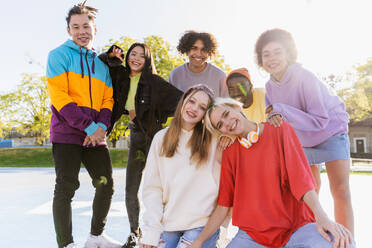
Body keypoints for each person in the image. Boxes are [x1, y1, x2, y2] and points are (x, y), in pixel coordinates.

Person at [190, 98, 354, 248]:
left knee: (343, 242)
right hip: (252, 237)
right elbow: (223, 205)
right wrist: (198, 242)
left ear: (235, 108)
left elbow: (301, 180)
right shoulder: (230, 153)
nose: (227, 123)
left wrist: (322, 217)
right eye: (220, 124)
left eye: (226, 114)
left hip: (296, 229)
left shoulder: (279, 128)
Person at [255, 28, 354, 234]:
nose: (272, 58)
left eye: (277, 52)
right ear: (260, 60)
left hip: (330, 131)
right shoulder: (269, 87)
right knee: (310, 191)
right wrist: (273, 118)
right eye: (266, 54)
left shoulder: (304, 77)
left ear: (289, 53)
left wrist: (281, 110)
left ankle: (348, 241)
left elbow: (319, 120)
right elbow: (275, 119)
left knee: (341, 191)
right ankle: (312, 236)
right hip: (302, 139)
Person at [46, 2, 121, 248]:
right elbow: (60, 98)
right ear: (68, 30)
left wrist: (101, 128)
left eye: (86, 26)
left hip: (95, 134)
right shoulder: (57, 55)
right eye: (75, 27)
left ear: (94, 30)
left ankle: (96, 237)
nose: (81, 31)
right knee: (66, 187)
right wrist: (90, 128)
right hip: (67, 133)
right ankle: (66, 244)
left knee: (105, 183)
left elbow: (108, 100)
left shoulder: (101, 65)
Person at [99, 43, 184, 248]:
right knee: (131, 187)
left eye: (141, 56)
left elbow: (182, 100)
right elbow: (100, 62)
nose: (136, 59)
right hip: (137, 136)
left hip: (155, 136)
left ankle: (169, 230)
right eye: (132, 54)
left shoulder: (154, 81)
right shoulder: (120, 76)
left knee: (163, 186)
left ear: (147, 60)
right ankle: (134, 232)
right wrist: (110, 54)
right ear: (127, 56)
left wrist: (159, 115)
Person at [139, 85, 230, 248]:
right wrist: (152, 230)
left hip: (202, 223)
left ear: (206, 114)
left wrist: (229, 138)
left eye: (202, 107)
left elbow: (237, 123)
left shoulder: (215, 139)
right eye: (192, 101)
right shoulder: (161, 138)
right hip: (170, 222)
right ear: (183, 101)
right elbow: (153, 188)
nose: (194, 109)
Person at [169, 30, 228, 97]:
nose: (198, 54)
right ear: (187, 50)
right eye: (194, 48)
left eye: (204, 49)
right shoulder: (175, 75)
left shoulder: (220, 76)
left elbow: (227, 105)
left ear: (209, 52)